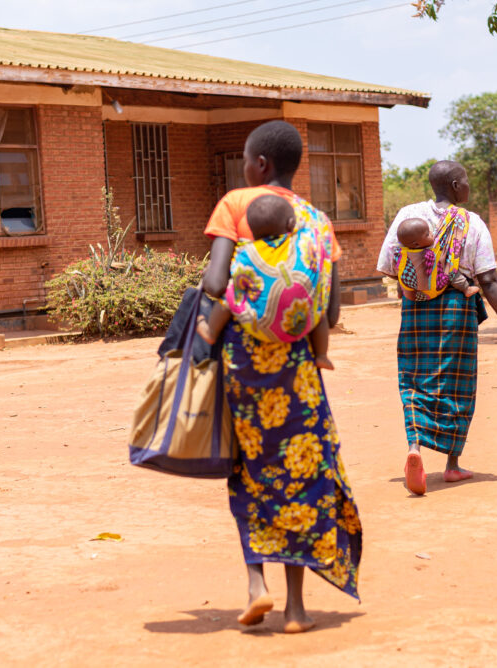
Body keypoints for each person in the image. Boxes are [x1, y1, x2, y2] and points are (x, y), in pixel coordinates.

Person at [201, 120, 361, 633]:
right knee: (298, 474)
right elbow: (330, 311)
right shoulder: (316, 220)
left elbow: (213, 281)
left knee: (246, 470)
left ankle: (255, 585)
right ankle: (296, 609)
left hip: (243, 369)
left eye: (246, 159)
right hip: (297, 369)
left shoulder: (237, 204)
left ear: (260, 164)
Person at [378, 161, 497, 496]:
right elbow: (488, 279)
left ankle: (415, 447)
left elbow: (387, 266)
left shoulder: (407, 214)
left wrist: (418, 283)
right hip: (457, 312)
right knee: (456, 382)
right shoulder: (471, 223)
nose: (468, 187)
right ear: (456, 186)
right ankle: (452, 466)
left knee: (414, 377)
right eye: (467, 182)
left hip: (415, 309)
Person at [197, 194, 334, 370]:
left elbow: (229, 279)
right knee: (319, 309)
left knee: (228, 298)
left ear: (252, 232)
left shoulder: (247, 252)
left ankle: (211, 331)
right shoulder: (304, 242)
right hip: (301, 324)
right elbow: (315, 239)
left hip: (258, 325)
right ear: (291, 224)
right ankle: (322, 354)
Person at [394, 217, 480, 301]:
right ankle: (466, 289)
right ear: (416, 244)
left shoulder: (401, 253)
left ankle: (399, 292)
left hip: (410, 294)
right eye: (427, 234)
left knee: (401, 273)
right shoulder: (433, 252)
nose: (431, 233)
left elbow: (395, 267)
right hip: (433, 291)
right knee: (450, 270)